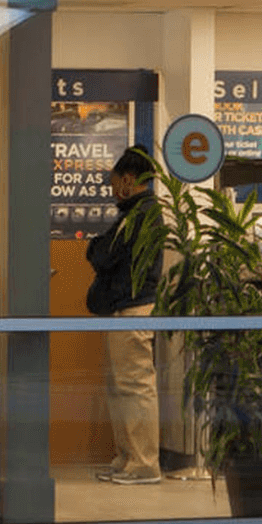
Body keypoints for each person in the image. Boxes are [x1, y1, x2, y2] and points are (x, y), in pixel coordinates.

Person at [84, 145, 162, 485]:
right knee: (121, 389)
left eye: (115, 183)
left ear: (128, 180)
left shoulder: (142, 213)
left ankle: (144, 463)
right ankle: (128, 456)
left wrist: (96, 246)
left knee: (135, 388)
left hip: (134, 308)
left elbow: (104, 255)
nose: (114, 190)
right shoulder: (137, 213)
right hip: (124, 308)